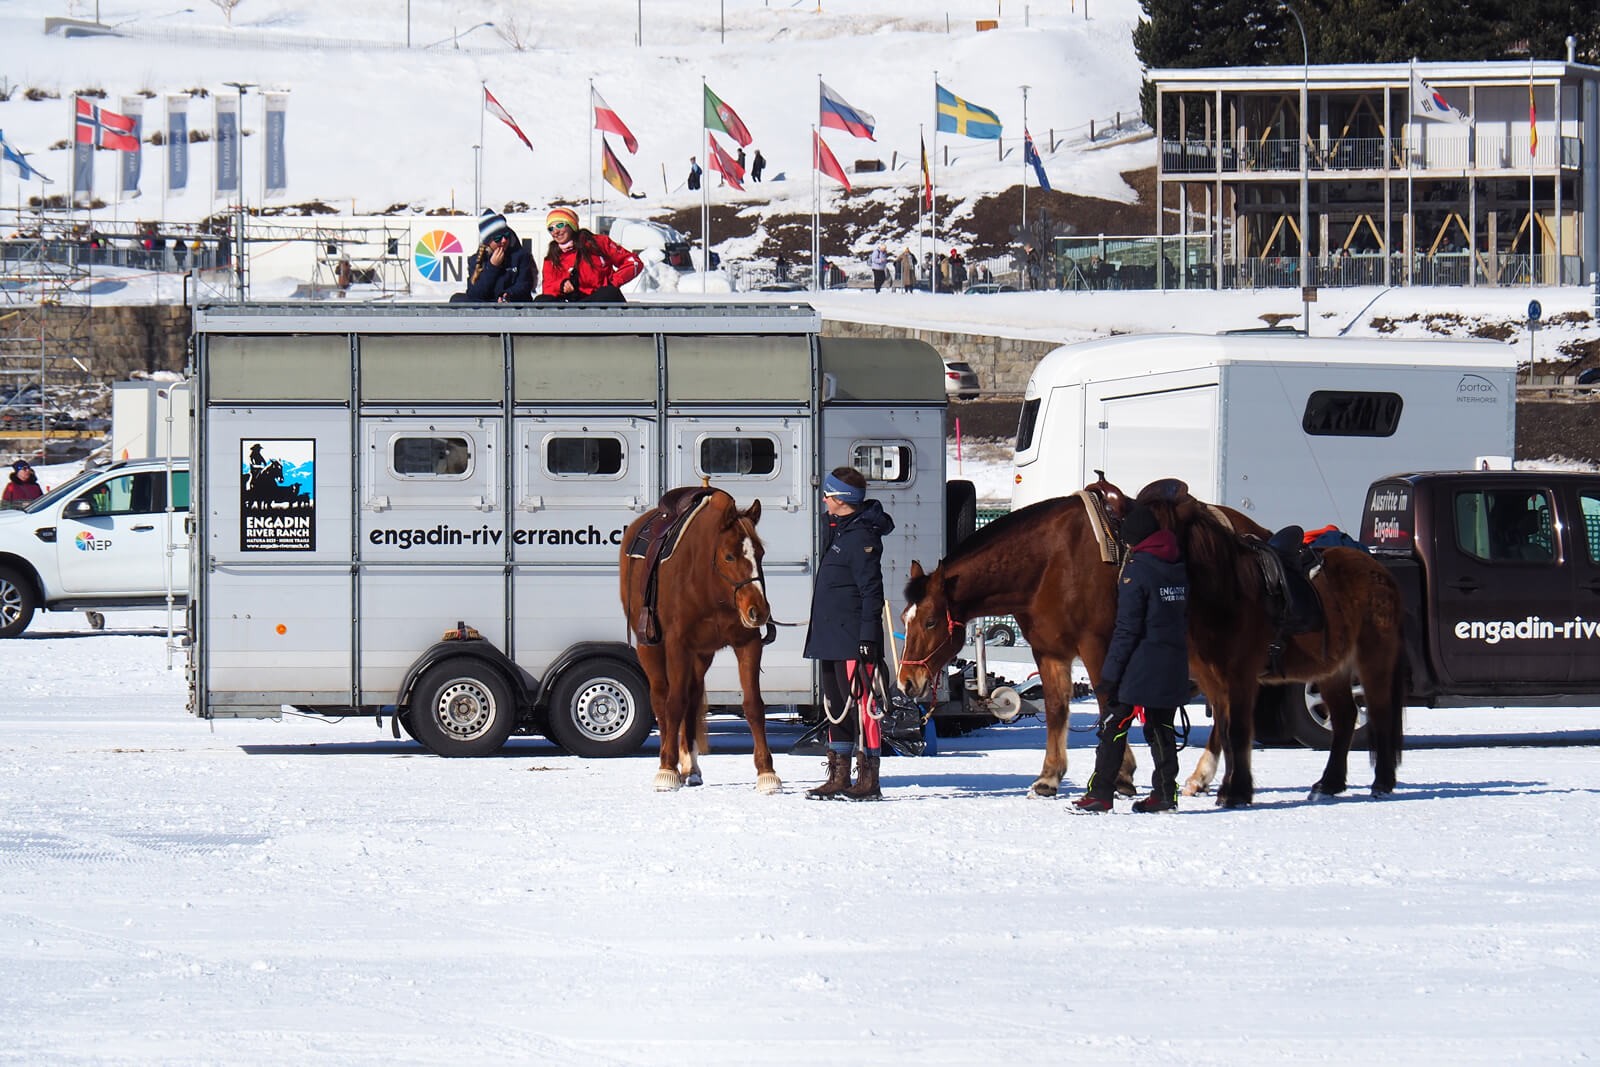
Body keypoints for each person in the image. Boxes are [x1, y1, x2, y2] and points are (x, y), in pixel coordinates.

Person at [1073, 504, 1189, 813]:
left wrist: (1109, 675)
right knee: (1161, 727)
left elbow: (1127, 629)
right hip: (1173, 661)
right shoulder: (1177, 564)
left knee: (1114, 724)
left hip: (1140, 665)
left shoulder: (1137, 571)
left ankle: (1100, 794)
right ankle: (1165, 794)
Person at [804, 467, 896, 801]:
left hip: (853, 640)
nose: (824, 499)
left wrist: (869, 639)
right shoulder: (840, 529)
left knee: (863, 710)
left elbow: (872, 592)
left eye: (828, 494)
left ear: (841, 499)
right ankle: (839, 775)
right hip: (830, 636)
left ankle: (868, 779)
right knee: (835, 707)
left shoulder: (862, 538)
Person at [535, 207, 643, 303]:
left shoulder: (597, 243)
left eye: (559, 225)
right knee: (541, 301)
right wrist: (561, 285)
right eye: (551, 229)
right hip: (572, 304)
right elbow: (548, 288)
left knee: (608, 293)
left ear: (572, 225)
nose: (555, 232)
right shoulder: (552, 257)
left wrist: (612, 283)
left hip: (600, 300)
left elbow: (633, 262)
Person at [453, 209, 535, 303]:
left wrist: (508, 294)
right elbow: (475, 294)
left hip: (513, 305)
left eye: (506, 235)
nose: (504, 240)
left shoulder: (520, 256)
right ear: (488, 242)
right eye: (498, 238)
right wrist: (492, 267)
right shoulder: (476, 261)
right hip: (487, 308)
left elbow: (524, 285)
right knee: (457, 299)